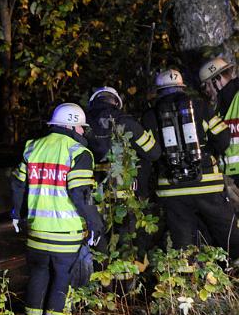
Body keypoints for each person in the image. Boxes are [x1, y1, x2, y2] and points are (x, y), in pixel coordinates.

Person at [11, 103, 103, 315]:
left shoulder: (32, 148)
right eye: (81, 128)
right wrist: (95, 223)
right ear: (72, 126)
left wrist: (19, 216)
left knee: (38, 275)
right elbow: (80, 193)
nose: (83, 132)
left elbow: (18, 184)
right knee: (62, 278)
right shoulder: (78, 153)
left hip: (37, 232)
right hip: (65, 233)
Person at [140, 68, 238, 255]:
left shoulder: (150, 116)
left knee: (183, 244)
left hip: (172, 188)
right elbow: (223, 139)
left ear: (158, 90)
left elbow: (149, 155)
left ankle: (187, 279)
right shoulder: (201, 107)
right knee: (228, 230)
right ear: (182, 87)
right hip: (207, 184)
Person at [85, 86, 161, 257]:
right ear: (116, 103)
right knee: (125, 246)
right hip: (124, 197)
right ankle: (124, 281)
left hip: (91, 198)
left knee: (96, 246)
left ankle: (99, 279)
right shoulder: (127, 122)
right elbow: (154, 152)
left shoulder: (83, 124)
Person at [199, 57, 239, 186]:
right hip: (230, 176)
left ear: (217, 79)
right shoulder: (219, 106)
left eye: (206, 85)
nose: (206, 91)